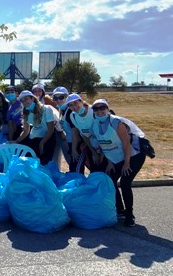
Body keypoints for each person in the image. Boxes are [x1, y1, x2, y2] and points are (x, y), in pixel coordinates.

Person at [90, 99, 146, 227]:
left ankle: (129, 215)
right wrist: (110, 162)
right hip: (118, 158)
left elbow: (126, 143)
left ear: (108, 108)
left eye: (102, 107)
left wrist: (127, 163)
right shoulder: (95, 125)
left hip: (134, 156)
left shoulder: (116, 122)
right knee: (110, 180)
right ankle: (119, 210)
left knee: (125, 182)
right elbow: (104, 145)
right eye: (96, 109)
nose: (99, 111)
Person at [14, 90, 56, 165]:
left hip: (48, 139)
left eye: (26, 99)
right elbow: (26, 131)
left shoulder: (46, 109)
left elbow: (50, 129)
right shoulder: (26, 112)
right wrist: (16, 141)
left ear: (32, 98)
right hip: (34, 139)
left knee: (44, 163)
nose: (25, 102)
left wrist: (42, 142)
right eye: (22, 101)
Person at [66, 93, 104, 173]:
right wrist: (94, 153)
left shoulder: (94, 111)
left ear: (81, 102)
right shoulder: (73, 116)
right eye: (71, 105)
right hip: (92, 146)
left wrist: (102, 153)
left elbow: (105, 134)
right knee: (95, 170)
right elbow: (85, 136)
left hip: (105, 146)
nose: (75, 107)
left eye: (76, 103)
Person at [52, 87, 78, 172]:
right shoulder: (62, 110)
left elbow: (75, 132)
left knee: (76, 168)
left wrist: (74, 149)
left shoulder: (70, 111)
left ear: (67, 97)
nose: (58, 100)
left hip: (75, 144)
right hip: (70, 143)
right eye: (56, 98)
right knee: (73, 167)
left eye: (61, 97)